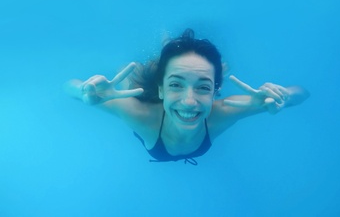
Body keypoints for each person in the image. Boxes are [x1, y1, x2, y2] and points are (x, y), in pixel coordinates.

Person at [64, 28, 310, 165]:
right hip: (149, 96)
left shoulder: (223, 112)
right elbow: (68, 86)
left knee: (185, 71)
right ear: (162, 90)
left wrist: (284, 96)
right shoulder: (139, 115)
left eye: (204, 88)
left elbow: (302, 94)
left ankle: (183, 64)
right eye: (175, 85)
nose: (189, 102)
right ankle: (170, 55)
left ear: (216, 92)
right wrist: (86, 91)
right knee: (137, 77)